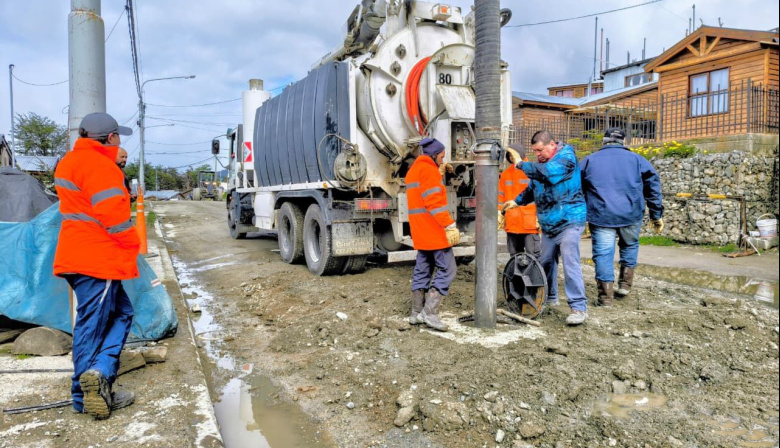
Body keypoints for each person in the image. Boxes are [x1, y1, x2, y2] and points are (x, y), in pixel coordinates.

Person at [53, 112, 140, 419]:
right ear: (111, 138)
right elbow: (114, 219)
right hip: (97, 258)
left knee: (122, 313)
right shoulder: (102, 167)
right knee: (92, 325)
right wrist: (133, 245)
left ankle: (100, 372)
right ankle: (84, 393)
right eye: (119, 137)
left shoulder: (69, 162)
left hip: (76, 254)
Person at [503, 130, 589, 326]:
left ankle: (578, 308)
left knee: (570, 261)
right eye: (535, 151)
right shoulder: (542, 164)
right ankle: (550, 297)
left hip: (569, 221)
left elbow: (548, 175)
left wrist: (520, 164)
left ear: (552, 145)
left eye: (540, 150)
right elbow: (533, 188)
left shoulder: (566, 158)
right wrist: (516, 201)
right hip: (549, 225)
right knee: (545, 262)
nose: (538, 155)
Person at [580, 127, 664, 306]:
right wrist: (656, 215)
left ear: (604, 142)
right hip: (631, 213)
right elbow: (653, 187)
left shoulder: (589, 161)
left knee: (603, 255)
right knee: (630, 245)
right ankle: (625, 285)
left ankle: (605, 298)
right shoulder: (637, 160)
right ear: (623, 142)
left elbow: (576, 189)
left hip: (601, 215)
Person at [405, 137, 460, 332]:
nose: (443, 161)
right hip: (434, 231)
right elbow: (434, 202)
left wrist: (439, 172)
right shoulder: (428, 171)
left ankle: (416, 312)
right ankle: (429, 312)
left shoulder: (414, 171)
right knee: (448, 269)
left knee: (423, 269)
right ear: (434, 155)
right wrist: (449, 225)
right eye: (442, 157)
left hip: (420, 231)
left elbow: (422, 196)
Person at [498, 142, 540, 258]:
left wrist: (540, 216)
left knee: (533, 257)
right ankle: (517, 277)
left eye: (513, 155)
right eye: (509, 155)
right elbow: (500, 196)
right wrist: (499, 212)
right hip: (512, 223)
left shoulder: (531, 170)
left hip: (530, 224)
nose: (511, 158)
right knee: (515, 257)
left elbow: (541, 196)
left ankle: (533, 277)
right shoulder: (506, 174)